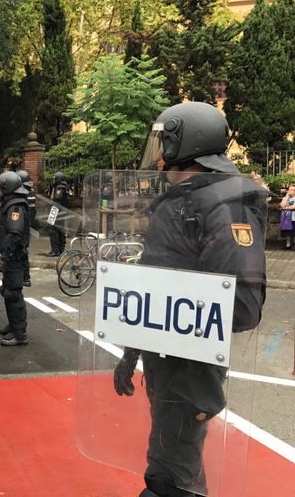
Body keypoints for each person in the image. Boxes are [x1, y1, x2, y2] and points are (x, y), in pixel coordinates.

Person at [114, 102, 267, 497]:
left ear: (186, 142)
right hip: (169, 365)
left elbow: (243, 306)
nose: (160, 155)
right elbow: (158, 282)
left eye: (165, 142)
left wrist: (177, 298)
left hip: (191, 372)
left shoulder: (222, 204)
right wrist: (134, 348)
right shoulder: (189, 199)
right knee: (176, 471)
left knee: (169, 481)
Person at [0, 171, 30, 347]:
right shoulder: (12, 203)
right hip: (12, 256)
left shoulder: (15, 207)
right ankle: (14, 324)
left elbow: (14, 234)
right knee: (7, 291)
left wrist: (5, 255)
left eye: (0, 187)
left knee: (13, 294)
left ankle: (20, 334)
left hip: (15, 257)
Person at [16, 169, 36, 286]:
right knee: (23, 251)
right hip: (27, 226)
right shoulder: (31, 192)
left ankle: (25, 277)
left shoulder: (23, 193)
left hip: (22, 226)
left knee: (21, 251)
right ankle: (25, 277)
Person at [47, 172, 70, 257]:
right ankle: (60, 250)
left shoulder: (59, 188)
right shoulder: (65, 186)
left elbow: (57, 200)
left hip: (57, 211)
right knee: (60, 230)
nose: (53, 181)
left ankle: (55, 250)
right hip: (62, 212)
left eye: (54, 179)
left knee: (53, 230)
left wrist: (52, 214)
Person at [280, 183, 295, 249]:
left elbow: (294, 207)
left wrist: (286, 208)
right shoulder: (285, 198)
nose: (291, 191)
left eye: (293, 190)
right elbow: (282, 205)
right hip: (286, 218)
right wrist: (287, 197)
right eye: (290, 190)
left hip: (294, 218)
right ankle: (288, 245)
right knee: (287, 232)